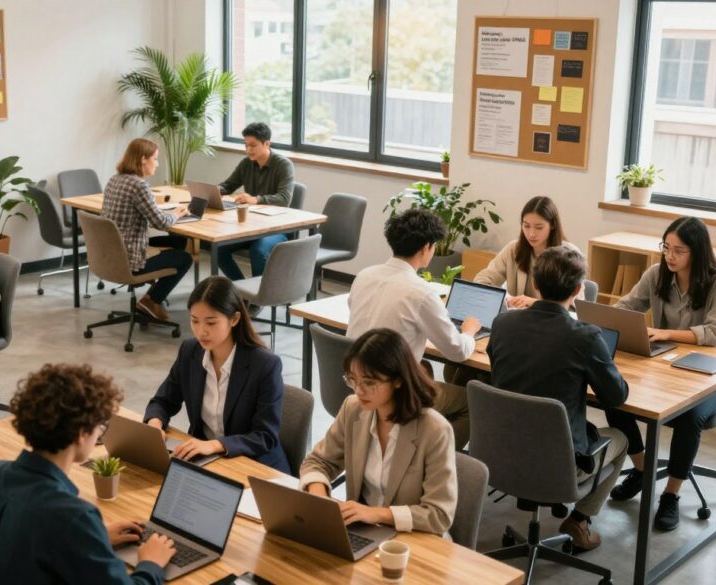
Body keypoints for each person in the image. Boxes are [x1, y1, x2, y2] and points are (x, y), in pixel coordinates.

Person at [0, 363, 175, 584]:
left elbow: (20, 544)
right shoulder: (72, 516)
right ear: (82, 434)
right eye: (100, 426)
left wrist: (93, 537)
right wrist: (151, 564)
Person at [487, 247, 629, 551]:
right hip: (559, 464)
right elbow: (615, 397)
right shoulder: (585, 337)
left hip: (501, 454)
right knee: (620, 436)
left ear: (536, 285)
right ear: (579, 290)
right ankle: (579, 520)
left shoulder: (501, 324)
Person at [605, 216, 716, 531]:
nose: (670, 256)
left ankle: (671, 495)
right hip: (663, 368)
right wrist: (617, 318)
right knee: (612, 394)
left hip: (712, 376)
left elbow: (715, 333)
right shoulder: (657, 274)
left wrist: (663, 333)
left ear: (698, 252)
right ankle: (641, 469)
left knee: (690, 418)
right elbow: (624, 306)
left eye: (679, 250)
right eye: (666, 247)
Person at [299, 328, 457, 536]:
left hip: (415, 538)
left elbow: (439, 514)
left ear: (398, 380)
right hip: (364, 531)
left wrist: (377, 514)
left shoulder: (434, 430)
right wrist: (320, 498)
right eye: (352, 379)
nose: (358, 390)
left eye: (370, 383)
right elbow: (318, 462)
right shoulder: (353, 409)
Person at [347, 208, 478, 449]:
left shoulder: (364, 276)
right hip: (392, 394)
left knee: (424, 368)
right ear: (426, 247)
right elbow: (457, 351)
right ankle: (426, 458)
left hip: (354, 384)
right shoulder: (422, 293)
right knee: (472, 402)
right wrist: (469, 331)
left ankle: (411, 440)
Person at [144, 276, 290, 473]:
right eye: (194, 321)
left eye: (211, 323)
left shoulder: (265, 365)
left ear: (235, 319)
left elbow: (265, 436)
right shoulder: (190, 352)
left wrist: (215, 445)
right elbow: (163, 401)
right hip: (208, 461)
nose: (201, 331)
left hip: (256, 466)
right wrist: (154, 425)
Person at [102, 138, 193, 321]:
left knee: (179, 241)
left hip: (111, 253)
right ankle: (151, 301)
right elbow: (161, 223)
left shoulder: (115, 179)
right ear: (143, 159)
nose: (157, 164)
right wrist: (176, 213)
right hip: (129, 259)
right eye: (156, 159)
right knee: (184, 258)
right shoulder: (139, 185)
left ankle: (151, 296)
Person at [216, 122, 296, 282]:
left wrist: (255, 199)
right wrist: (215, 190)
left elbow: (284, 199)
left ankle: (258, 297)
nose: (248, 150)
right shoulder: (246, 163)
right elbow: (229, 185)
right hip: (252, 226)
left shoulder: (283, 165)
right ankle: (244, 290)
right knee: (218, 249)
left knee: (258, 251)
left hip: (277, 228)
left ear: (267, 143)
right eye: (246, 145)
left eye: (253, 145)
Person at [474, 196, 583, 308]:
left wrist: (534, 302)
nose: (531, 233)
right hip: (518, 318)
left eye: (539, 227)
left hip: (551, 322)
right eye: (526, 226)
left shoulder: (568, 255)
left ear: (553, 225)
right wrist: (506, 298)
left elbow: (576, 306)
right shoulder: (513, 249)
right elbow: (482, 280)